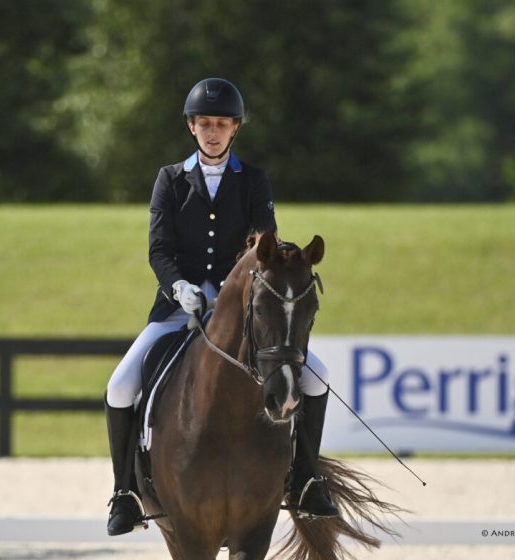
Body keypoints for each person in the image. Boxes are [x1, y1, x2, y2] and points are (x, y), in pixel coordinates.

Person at [104, 77, 339, 535]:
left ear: (235, 130)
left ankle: (307, 479)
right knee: (119, 386)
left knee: (319, 376)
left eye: (222, 124)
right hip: (178, 307)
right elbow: (159, 250)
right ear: (192, 128)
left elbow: (261, 246)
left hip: (241, 310)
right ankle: (125, 492)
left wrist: (238, 288)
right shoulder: (169, 180)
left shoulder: (253, 181)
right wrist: (179, 287)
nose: (213, 132)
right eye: (205, 123)